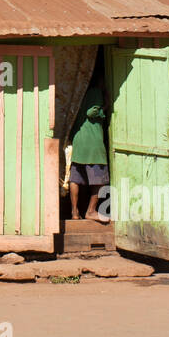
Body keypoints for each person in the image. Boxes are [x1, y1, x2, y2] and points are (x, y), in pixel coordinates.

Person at [66, 68, 110, 224]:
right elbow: (92, 112)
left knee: (75, 178)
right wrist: (105, 108)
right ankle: (91, 211)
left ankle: (74, 212)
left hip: (79, 141)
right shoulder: (96, 91)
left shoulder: (79, 93)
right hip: (92, 144)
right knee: (100, 181)